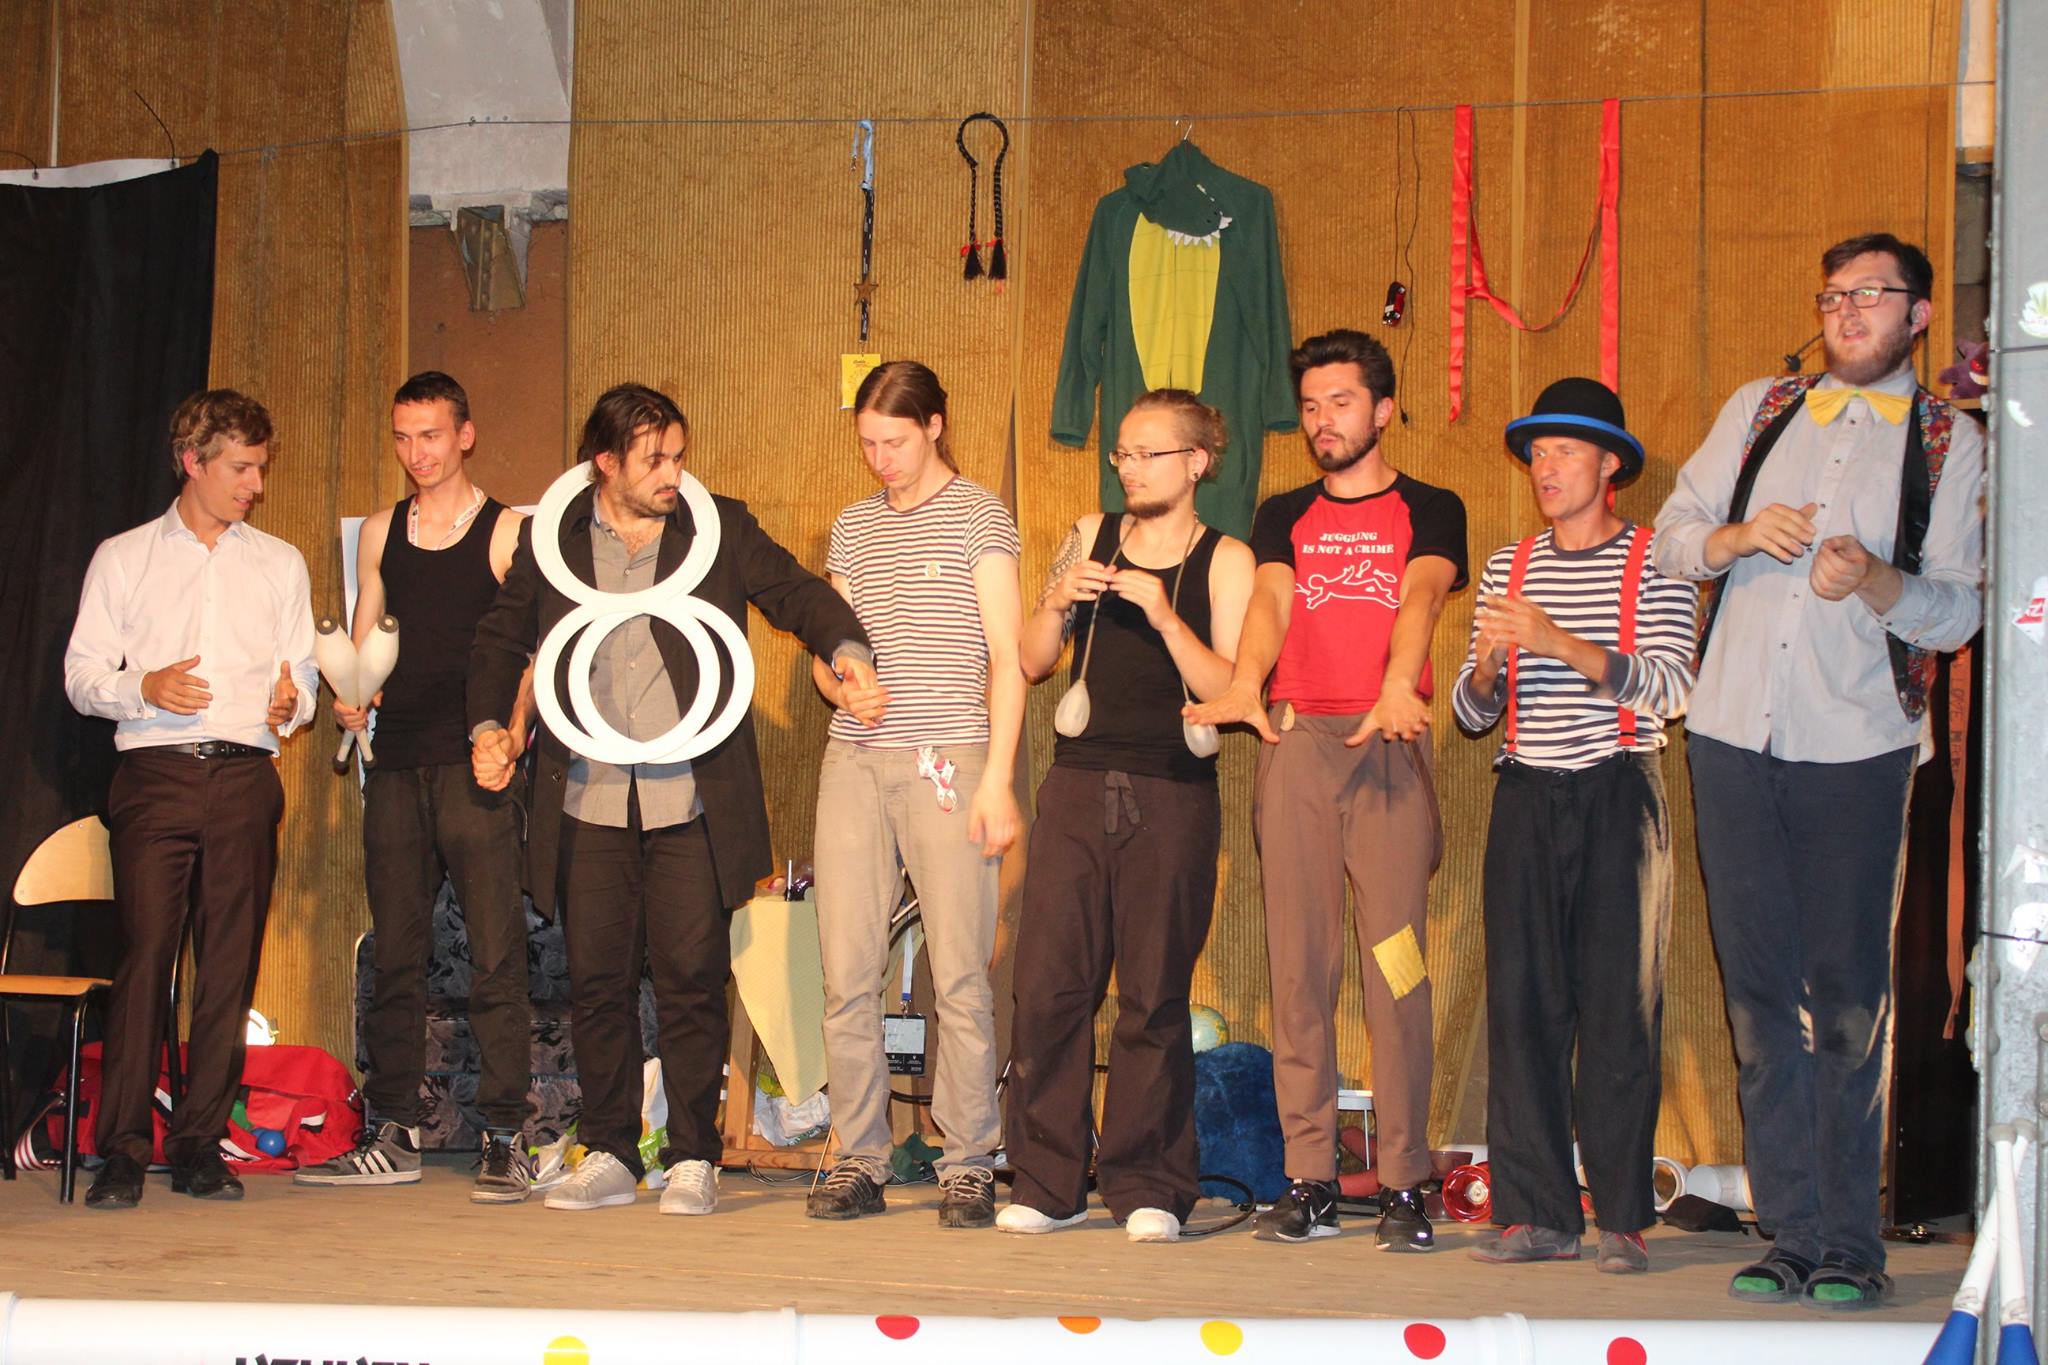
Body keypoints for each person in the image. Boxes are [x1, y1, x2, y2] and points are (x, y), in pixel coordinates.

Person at [1655, 233, 1984, 1310]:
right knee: (1757, 998)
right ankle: (1788, 1231)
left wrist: (1878, 581)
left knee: (1846, 1002)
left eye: (1872, 294)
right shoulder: (1760, 408)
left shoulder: (1951, 440)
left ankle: (1850, 1243)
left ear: (1917, 315)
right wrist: (1738, 535)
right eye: (1834, 294)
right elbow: (1670, 538)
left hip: (1858, 744)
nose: (1847, 310)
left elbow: (1958, 608)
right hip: (1729, 733)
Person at [468, 384, 871, 1217]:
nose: (673, 474)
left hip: (691, 799)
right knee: (598, 982)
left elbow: (796, 593)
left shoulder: (716, 528)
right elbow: (501, 636)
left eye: (680, 456)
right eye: (654, 459)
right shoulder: (553, 539)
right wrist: (488, 728)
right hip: (588, 797)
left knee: (691, 978)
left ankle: (692, 1154)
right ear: (605, 463)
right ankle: (612, 1149)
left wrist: (845, 644)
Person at [1186, 328, 1467, 1249]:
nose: (1322, 421)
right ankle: (1308, 1177)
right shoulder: (1284, 512)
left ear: (1382, 409)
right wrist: (1245, 682)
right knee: (1299, 969)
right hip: (1300, 742)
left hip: (1385, 743)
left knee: (1398, 969)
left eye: (1340, 402)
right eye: (1310, 406)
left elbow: (1422, 594)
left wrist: (1399, 681)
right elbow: (1272, 600)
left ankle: (1404, 1181)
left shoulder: (1432, 505)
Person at [1452, 378, 1696, 1274]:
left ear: (1609, 465)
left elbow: (1673, 685)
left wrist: (1560, 643)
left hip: (1618, 791)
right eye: (1537, 453)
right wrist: (1486, 671)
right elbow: (1471, 713)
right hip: (1525, 791)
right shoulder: (1508, 566)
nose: (1545, 467)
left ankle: (1623, 1215)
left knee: (1620, 1007)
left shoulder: (1659, 558)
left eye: (1564, 451)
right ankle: (1536, 1212)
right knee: (1522, 1008)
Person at [998, 389, 1253, 1243]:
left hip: (1173, 789)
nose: (1130, 468)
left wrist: (1164, 614)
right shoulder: (1089, 532)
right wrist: (1054, 601)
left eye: (1149, 453)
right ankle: (1047, 1180)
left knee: (1153, 993)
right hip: (1077, 781)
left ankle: (1148, 1182)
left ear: (1197, 462)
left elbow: (1231, 689)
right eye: (1122, 454)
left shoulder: (1226, 558)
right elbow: (1034, 659)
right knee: (1048, 987)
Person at [64, 389, 317, 1209]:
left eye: (260, 468)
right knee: (145, 958)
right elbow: (81, 675)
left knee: (228, 964)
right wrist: (143, 685)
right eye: (240, 468)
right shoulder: (125, 556)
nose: (255, 485)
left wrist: (294, 704)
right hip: (155, 774)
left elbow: (304, 677)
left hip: (245, 775)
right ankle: (122, 1149)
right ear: (192, 461)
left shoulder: (279, 563)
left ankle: (200, 1143)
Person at [296, 371, 533, 1201]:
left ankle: (506, 1133)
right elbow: (364, 644)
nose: (416, 453)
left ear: (465, 434)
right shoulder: (379, 532)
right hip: (395, 762)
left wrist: (512, 734)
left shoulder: (507, 532)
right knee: (396, 952)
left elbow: (533, 653)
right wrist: (350, 697)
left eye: (430, 435)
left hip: (475, 762)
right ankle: (392, 1130)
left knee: (496, 952)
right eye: (403, 437)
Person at [803, 360, 1023, 1230]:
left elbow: (1008, 658)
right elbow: (828, 654)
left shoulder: (979, 514)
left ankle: (968, 1159)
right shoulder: (854, 526)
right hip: (855, 761)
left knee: (960, 971)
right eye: (867, 443)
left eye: (894, 439)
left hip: (950, 759)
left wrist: (997, 776)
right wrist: (843, 683)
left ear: (934, 424)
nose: (881, 457)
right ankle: (861, 1154)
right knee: (846, 972)